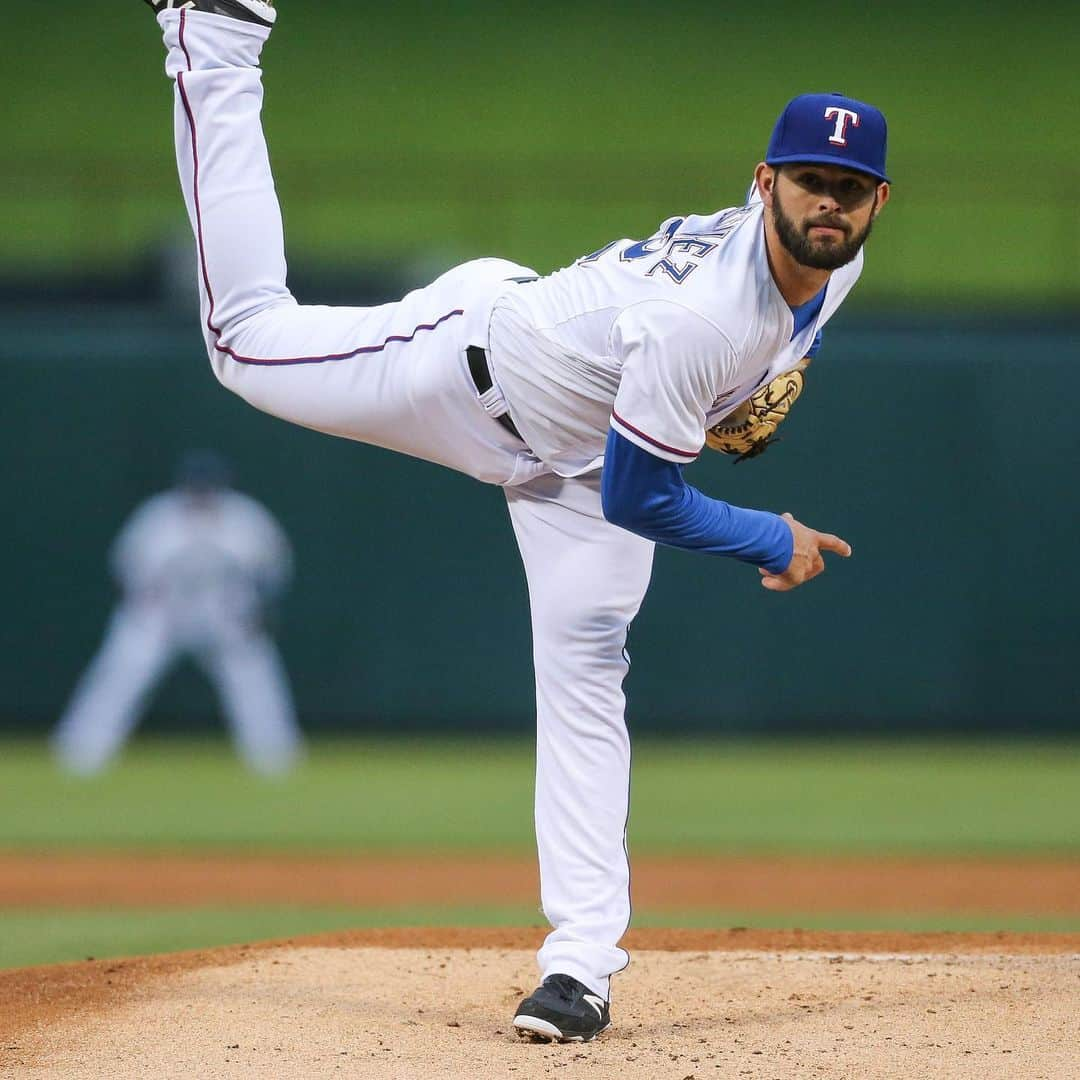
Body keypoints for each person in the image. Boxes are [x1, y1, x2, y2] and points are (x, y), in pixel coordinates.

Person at [142, 0, 891, 1042]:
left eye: (852, 190)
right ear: (764, 181)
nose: (832, 204)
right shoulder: (704, 321)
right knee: (242, 340)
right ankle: (215, 38)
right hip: (467, 367)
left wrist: (750, 390)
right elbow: (645, 496)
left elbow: (661, 444)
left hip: (582, 448)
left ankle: (579, 971)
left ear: (877, 203)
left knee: (590, 662)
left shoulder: (834, 263)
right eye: (812, 180)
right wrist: (772, 537)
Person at [52, 449, 303, 776]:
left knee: (255, 681)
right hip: (162, 618)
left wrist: (254, 610)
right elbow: (128, 571)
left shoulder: (245, 520)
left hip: (224, 619)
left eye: (207, 487)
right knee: (120, 675)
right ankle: (81, 753)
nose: (201, 495)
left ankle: (275, 758)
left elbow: (274, 570)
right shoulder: (158, 518)